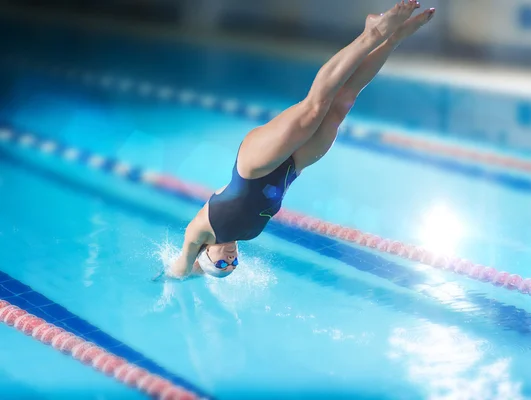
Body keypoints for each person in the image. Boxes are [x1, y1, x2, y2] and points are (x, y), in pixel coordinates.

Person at [168, 1, 435, 279]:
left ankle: (372, 33)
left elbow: (180, 268)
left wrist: (177, 276)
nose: (230, 262)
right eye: (232, 267)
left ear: (205, 253)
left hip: (253, 167)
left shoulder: (201, 231)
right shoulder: (247, 236)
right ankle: (393, 39)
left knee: (315, 107)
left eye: (221, 265)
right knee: (343, 102)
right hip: (290, 169)